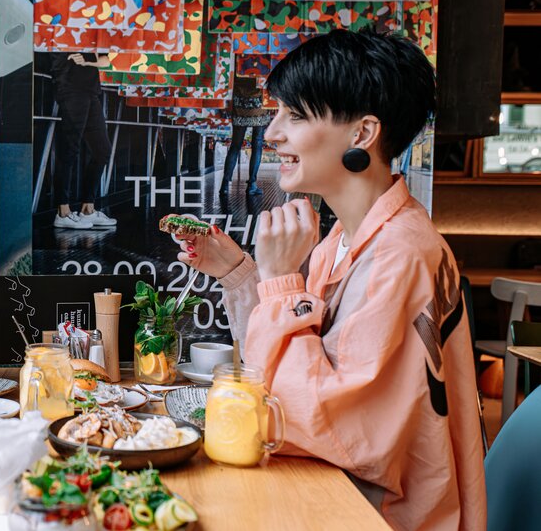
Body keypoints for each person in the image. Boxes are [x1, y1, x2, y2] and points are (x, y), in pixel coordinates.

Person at [175, 30, 485, 530]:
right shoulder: (345, 238)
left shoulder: (400, 254)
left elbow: (322, 426)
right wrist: (240, 274)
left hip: (372, 515)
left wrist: (280, 280)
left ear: (362, 134)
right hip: (338, 495)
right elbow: (287, 373)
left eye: (295, 116)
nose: (272, 133)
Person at [49, 51, 116, 229]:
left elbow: (106, 60)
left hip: (91, 91)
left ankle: (88, 209)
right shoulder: (65, 36)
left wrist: (88, 61)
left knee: (103, 151)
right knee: (70, 149)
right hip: (70, 88)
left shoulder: (94, 38)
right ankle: (63, 212)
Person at [219, 75, 271, 196]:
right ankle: (252, 184)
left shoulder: (239, 61)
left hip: (240, 102)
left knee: (235, 145)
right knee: (257, 144)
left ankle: (225, 185)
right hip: (259, 102)